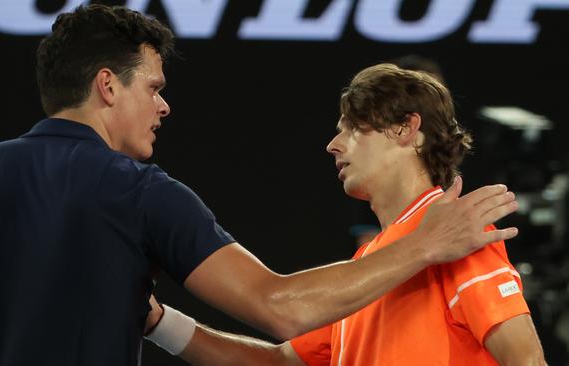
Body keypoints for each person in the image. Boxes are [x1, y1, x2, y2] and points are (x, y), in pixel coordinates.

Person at [0, 5, 519, 366]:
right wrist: (426, 245)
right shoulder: (141, 191)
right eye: (153, 87)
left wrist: (157, 322)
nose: (165, 105)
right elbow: (280, 310)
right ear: (107, 86)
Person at [145, 64, 546, 365]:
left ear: (407, 129)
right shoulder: (373, 262)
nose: (333, 145)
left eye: (354, 128)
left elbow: (526, 361)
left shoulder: (458, 235)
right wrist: (159, 322)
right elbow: (278, 362)